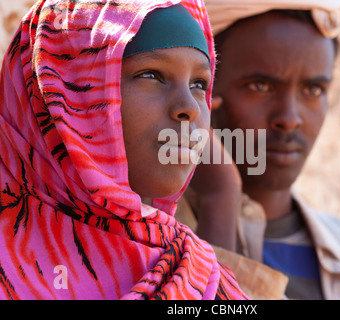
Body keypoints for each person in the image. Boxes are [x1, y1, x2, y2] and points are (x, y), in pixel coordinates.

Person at [0, 0, 249, 300]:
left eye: (199, 83)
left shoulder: (200, 273)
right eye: (151, 75)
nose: (190, 108)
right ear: (65, 94)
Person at [175, 0, 340, 299]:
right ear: (203, 91)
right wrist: (221, 199)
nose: (289, 119)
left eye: (313, 90)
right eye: (260, 86)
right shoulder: (147, 242)